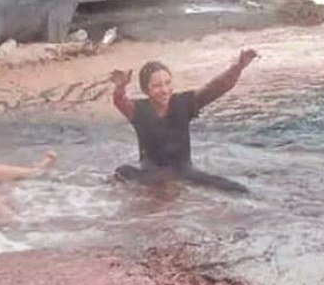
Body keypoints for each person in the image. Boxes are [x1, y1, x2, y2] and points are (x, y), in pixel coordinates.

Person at [110, 50, 258, 194]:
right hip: (151, 175)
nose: (164, 90)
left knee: (239, 190)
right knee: (121, 172)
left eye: (167, 83)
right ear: (146, 89)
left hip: (185, 172)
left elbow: (216, 88)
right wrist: (120, 87)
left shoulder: (183, 103)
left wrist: (238, 67)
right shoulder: (138, 110)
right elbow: (120, 101)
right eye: (157, 86)